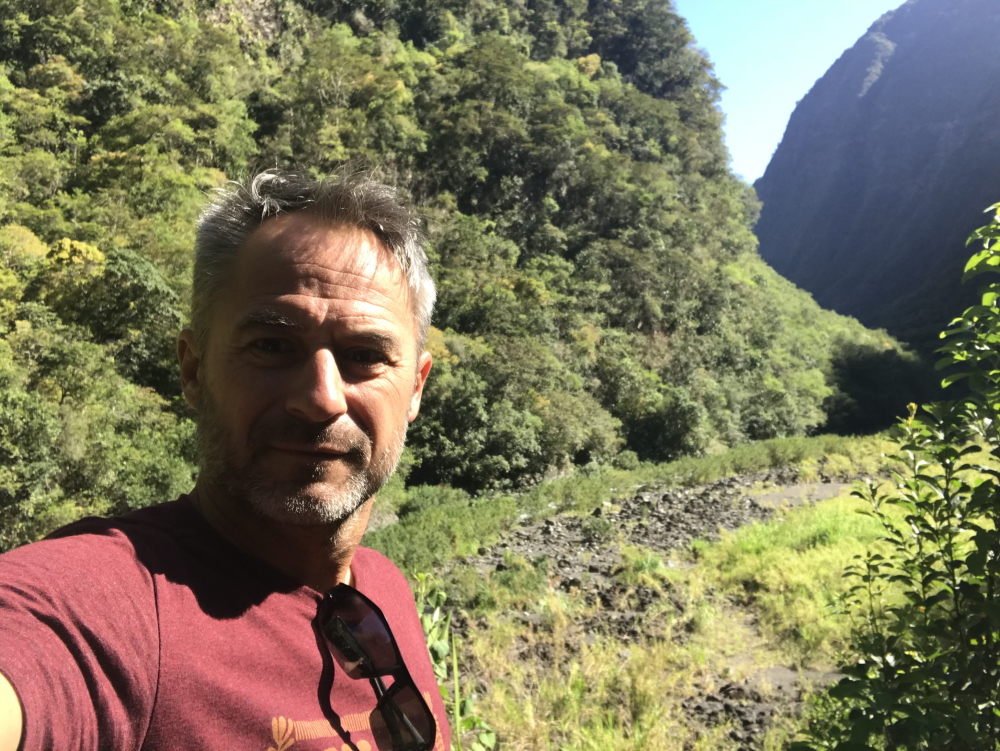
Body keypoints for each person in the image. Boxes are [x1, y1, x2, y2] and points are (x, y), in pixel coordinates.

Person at [0, 170, 450, 751]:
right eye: (271, 346)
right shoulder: (111, 609)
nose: (321, 398)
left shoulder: (384, 590)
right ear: (194, 370)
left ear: (415, 388)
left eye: (364, 355)